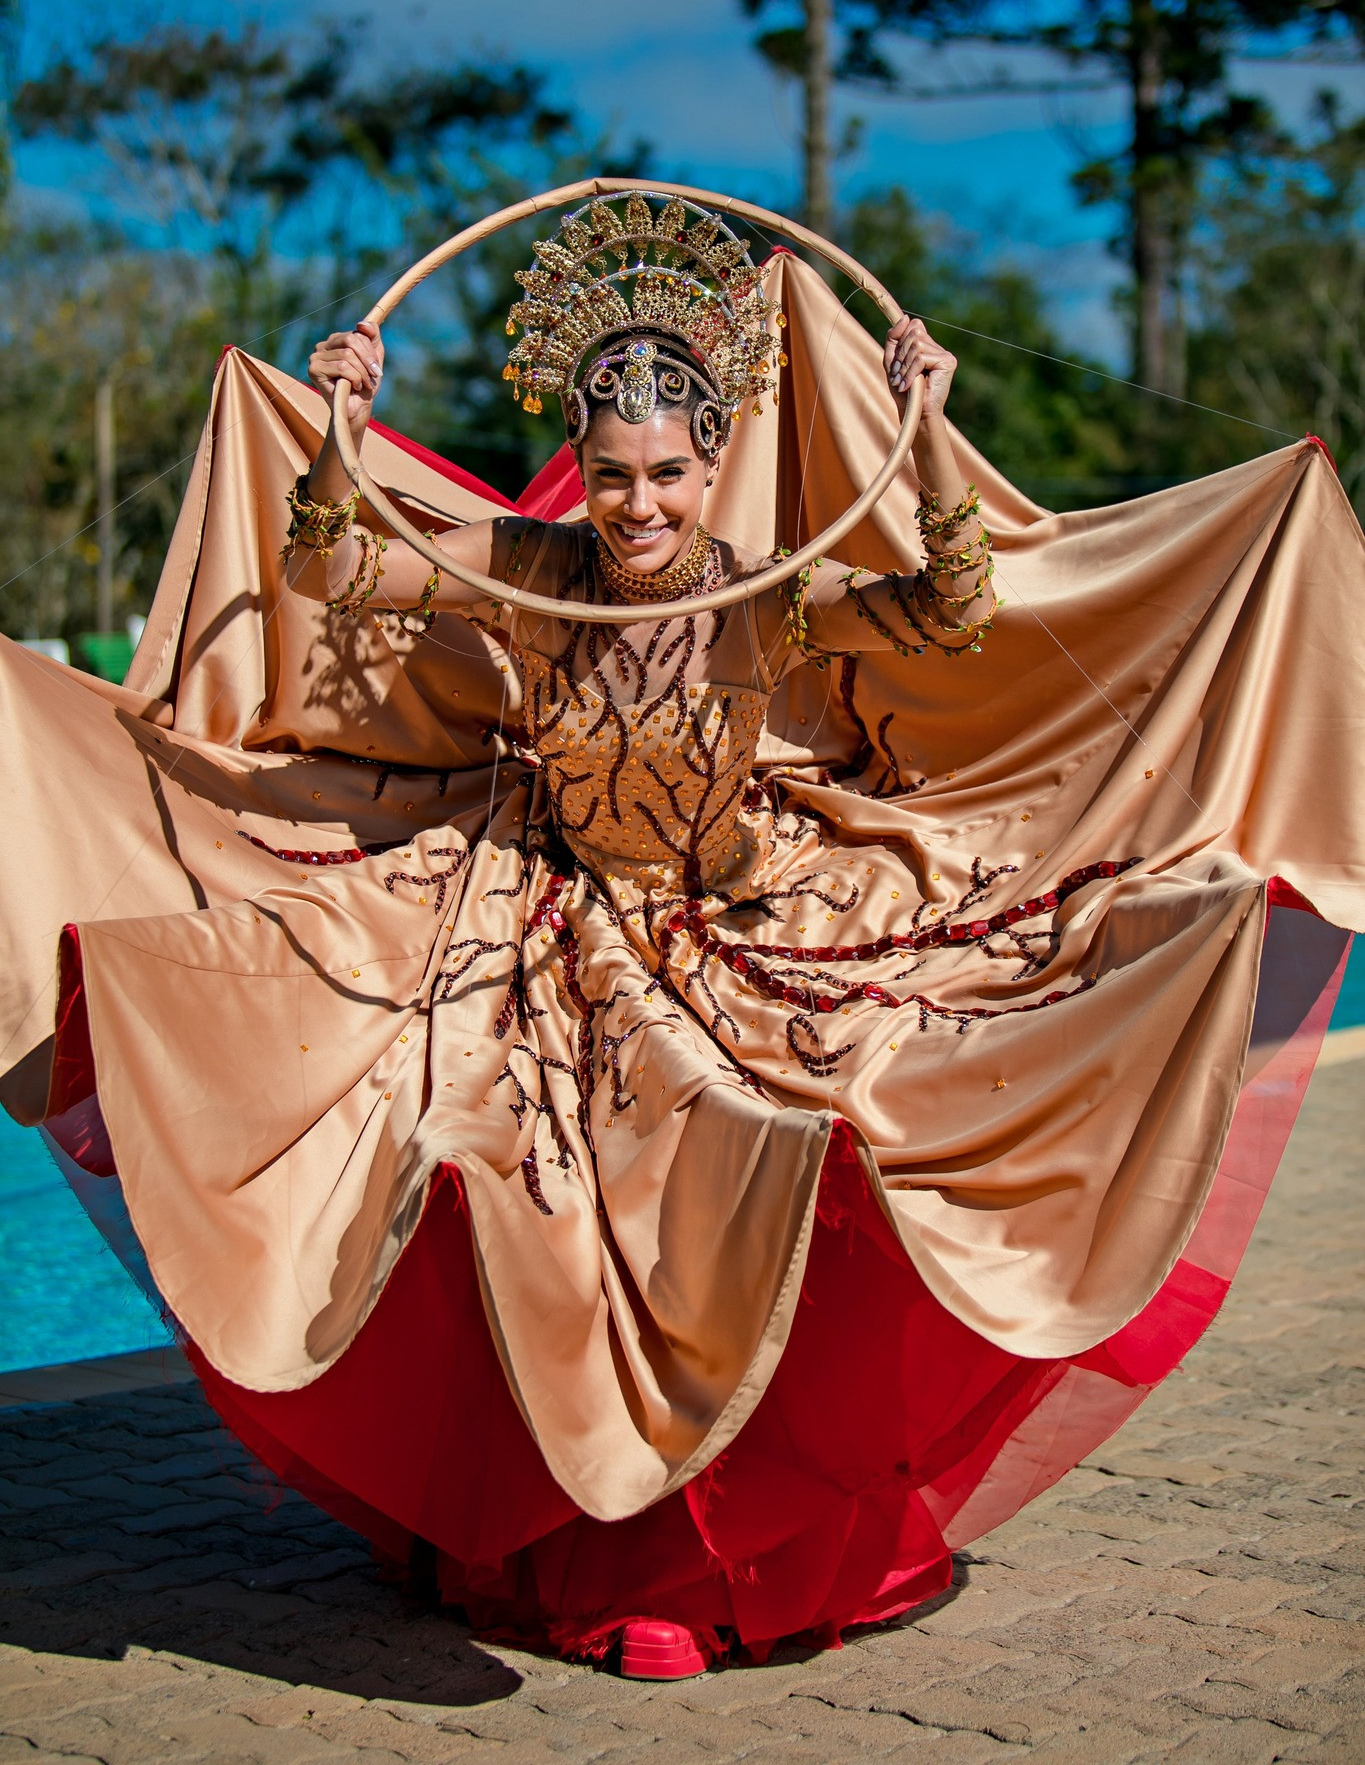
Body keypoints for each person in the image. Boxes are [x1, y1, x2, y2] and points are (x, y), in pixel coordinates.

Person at [3, 191, 1361, 1681]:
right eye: (610, 476)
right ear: (578, 473)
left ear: (710, 466)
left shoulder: (775, 597)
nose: (638, 508)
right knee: (547, 1235)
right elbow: (336, 569)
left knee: (765, 1193)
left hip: (744, 923)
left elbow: (953, 615)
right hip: (545, 922)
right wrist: (340, 427)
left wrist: (924, 436)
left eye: (663, 475)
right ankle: (575, 1554)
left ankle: (708, 1571)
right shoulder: (530, 576)